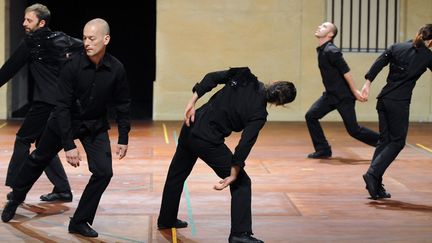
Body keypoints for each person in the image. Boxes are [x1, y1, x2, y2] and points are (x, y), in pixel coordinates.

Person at [1, 18, 131, 238]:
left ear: (106, 39)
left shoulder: (116, 68)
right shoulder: (72, 65)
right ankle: (16, 197)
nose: (87, 43)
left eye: (92, 38)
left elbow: (123, 103)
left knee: (103, 172)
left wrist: (124, 136)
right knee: (38, 158)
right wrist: (68, 145)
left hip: (94, 125)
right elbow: (61, 106)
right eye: (84, 38)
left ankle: (79, 221)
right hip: (64, 121)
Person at [157, 67, 296, 243]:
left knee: (176, 174)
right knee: (242, 183)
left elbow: (211, 77)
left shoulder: (244, 75)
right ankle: (240, 234)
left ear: (275, 82)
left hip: (191, 125)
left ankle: (166, 219)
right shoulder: (259, 114)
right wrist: (234, 172)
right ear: (279, 104)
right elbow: (245, 143)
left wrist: (192, 101)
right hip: (207, 141)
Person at [0, 3, 83, 202]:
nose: (24, 24)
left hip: (46, 103)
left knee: (23, 139)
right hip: (63, 102)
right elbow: (84, 46)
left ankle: (17, 185)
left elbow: (9, 69)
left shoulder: (30, 43)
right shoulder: (61, 39)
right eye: (24, 19)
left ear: (41, 22)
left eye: (29, 20)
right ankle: (63, 189)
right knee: (44, 145)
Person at [362, 24, 432, 200]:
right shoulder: (427, 56)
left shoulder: (396, 47)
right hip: (398, 103)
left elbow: (379, 62)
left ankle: (375, 184)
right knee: (398, 142)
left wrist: (367, 83)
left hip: (383, 99)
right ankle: (372, 174)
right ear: (431, 41)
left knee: (384, 141)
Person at [305, 22, 379, 159]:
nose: (319, 26)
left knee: (353, 130)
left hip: (343, 97)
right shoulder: (322, 49)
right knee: (311, 116)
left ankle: (385, 143)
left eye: (324, 26)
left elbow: (346, 72)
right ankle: (323, 149)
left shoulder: (331, 50)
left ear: (330, 34)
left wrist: (355, 91)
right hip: (330, 96)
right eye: (320, 25)